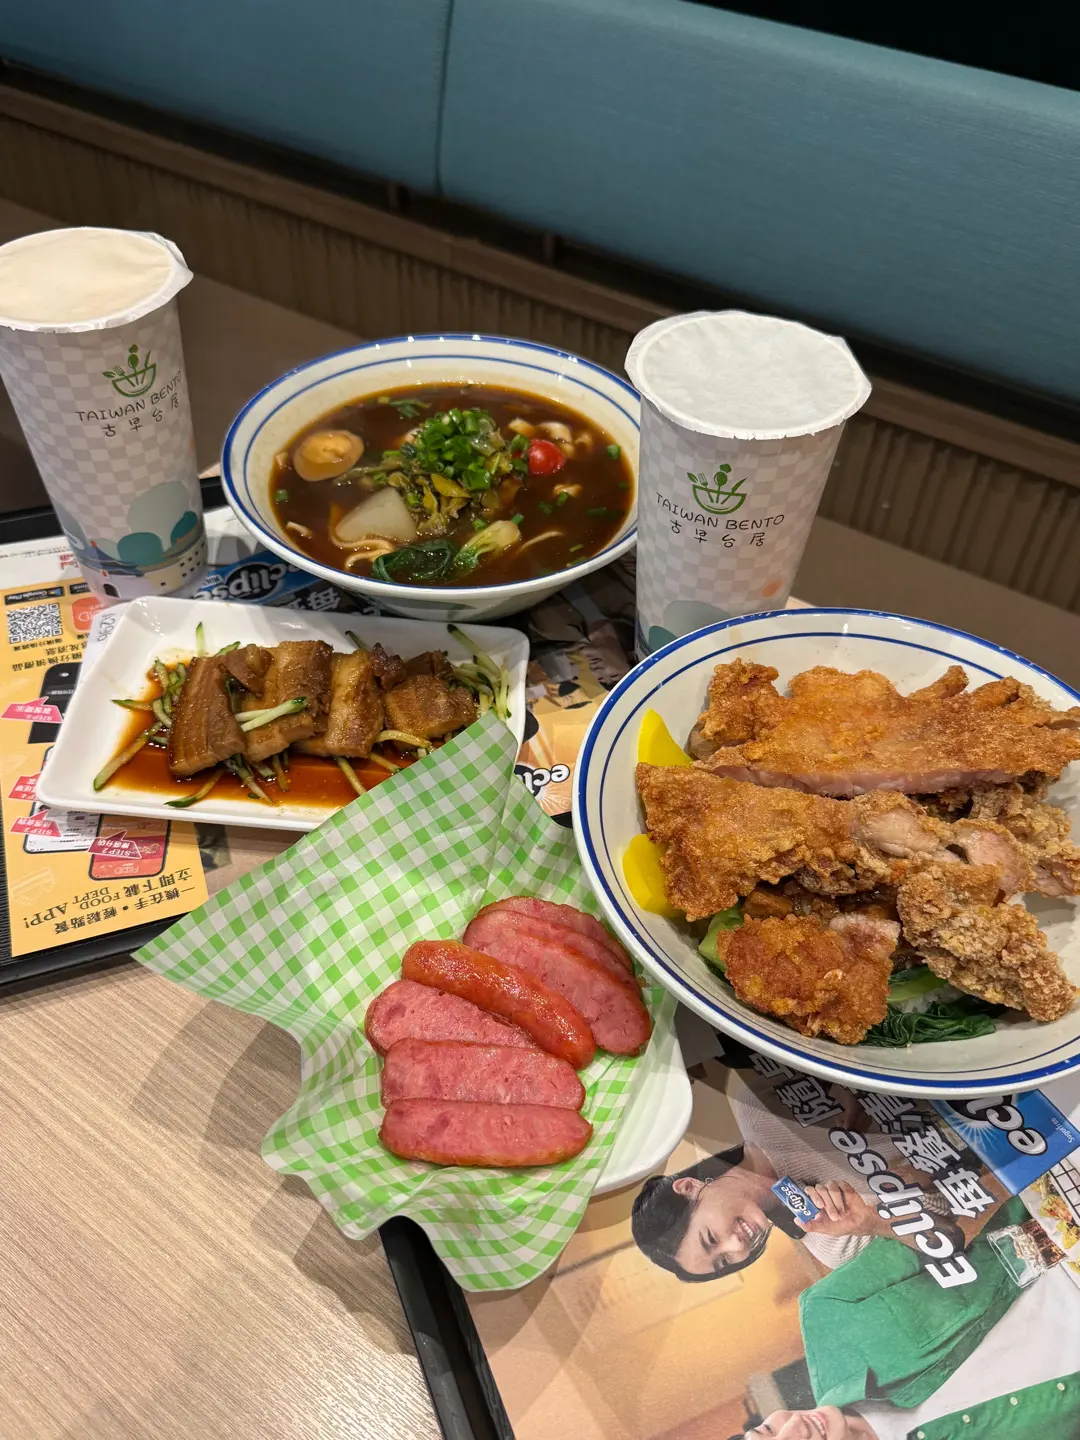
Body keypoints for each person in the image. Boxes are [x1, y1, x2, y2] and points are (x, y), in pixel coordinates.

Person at [631, 1081, 961, 1278]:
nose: (737, 1247)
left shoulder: (754, 1103)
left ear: (689, 1187)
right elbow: (951, 1236)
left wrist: (842, 1087)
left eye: (710, 1238)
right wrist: (871, 1222)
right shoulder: (831, 1243)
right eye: (724, 1262)